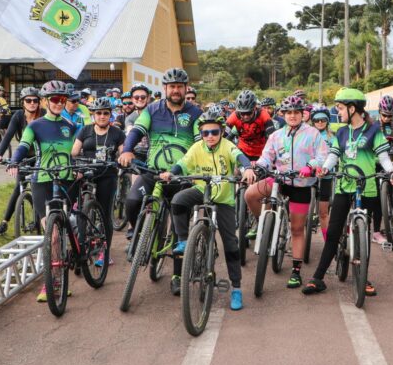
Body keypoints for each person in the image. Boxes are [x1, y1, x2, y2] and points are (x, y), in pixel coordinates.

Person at [302, 88, 393, 297]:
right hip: (345, 186)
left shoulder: (374, 131)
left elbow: (383, 158)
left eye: (341, 108)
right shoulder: (342, 132)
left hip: (367, 188)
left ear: (353, 109)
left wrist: (391, 172)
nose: (338, 112)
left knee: (363, 234)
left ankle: (363, 277)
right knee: (334, 233)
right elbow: (334, 155)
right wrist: (325, 168)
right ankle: (318, 278)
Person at [159, 109, 256, 310]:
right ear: (201, 134)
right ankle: (185, 241)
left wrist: (247, 168)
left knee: (231, 244)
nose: (210, 136)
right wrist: (171, 173)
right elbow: (182, 164)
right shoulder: (196, 148)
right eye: (205, 133)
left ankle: (236, 289)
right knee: (177, 200)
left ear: (221, 132)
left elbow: (240, 156)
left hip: (223, 198)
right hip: (201, 190)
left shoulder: (228, 146)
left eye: (214, 132)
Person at [118, 67, 203, 296]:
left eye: (179, 86)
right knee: (133, 201)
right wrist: (127, 150)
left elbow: (198, 143)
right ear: (165, 89)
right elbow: (137, 131)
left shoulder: (195, 113)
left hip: (181, 176)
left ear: (185, 89)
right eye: (171, 86)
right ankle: (138, 234)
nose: (175, 90)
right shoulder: (152, 110)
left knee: (179, 226)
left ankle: (177, 275)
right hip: (153, 172)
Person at [244, 95, 328, 289]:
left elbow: (323, 156)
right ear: (283, 114)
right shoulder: (276, 135)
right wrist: (259, 167)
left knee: (297, 229)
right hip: (279, 180)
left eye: (296, 112)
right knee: (250, 194)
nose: (292, 116)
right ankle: (263, 223)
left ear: (302, 114)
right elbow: (266, 157)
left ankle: (296, 271)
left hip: (302, 184)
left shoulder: (313, 134)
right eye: (288, 112)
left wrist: (311, 165)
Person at [7, 80, 78, 303]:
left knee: (69, 223)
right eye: (55, 99)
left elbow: (77, 150)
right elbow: (23, 146)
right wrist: (14, 161)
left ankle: (75, 244)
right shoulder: (35, 126)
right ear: (46, 101)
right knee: (52, 233)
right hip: (43, 181)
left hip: (66, 180)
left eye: (62, 100)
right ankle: (53, 282)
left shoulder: (70, 126)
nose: (59, 103)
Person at [72, 97, 126, 267]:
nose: (102, 116)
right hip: (86, 174)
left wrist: (121, 161)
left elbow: (122, 154)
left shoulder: (117, 133)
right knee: (80, 211)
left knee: (104, 214)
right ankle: (80, 245)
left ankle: (105, 252)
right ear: (93, 115)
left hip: (107, 175)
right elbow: (74, 152)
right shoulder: (85, 130)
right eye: (99, 113)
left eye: (106, 113)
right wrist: (76, 167)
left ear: (110, 115)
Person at [0, 87, 46, 236]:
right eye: (29, 100)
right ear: (23, 103)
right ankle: (4, 223)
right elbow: (8, 135)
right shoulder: (18, 116)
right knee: (18, 188)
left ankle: (47, 221)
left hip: (42, 156)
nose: (32, 103)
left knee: (41, 187)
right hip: (24, 156)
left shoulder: (44, 115)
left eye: (35, 100)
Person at [373, 95, 393, 244]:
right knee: (375, 200)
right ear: (379, 112)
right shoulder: (373, 126)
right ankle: (375, 231)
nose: (387, 118)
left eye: (390, 116)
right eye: (384, 115)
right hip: (375, 165)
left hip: (390, 164)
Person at [226, 89, 276, 162]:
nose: (246, 116)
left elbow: (272, 136)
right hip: (242, 151)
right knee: (237, 171)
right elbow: (222, 133)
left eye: (249, 113)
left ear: (254, 108)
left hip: (261, 152)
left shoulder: (263, 114)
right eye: (242, 113)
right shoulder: (235, 115)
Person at [309, 106, 334, 239]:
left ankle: (327, 241)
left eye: (323, 119)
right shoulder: (307, 135)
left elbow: (335, 156)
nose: (319, 122)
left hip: (326, 176)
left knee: (323, 212)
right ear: (312, 121)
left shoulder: (332, 137)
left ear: (327, 121)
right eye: (316, 120)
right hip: (309, 176)